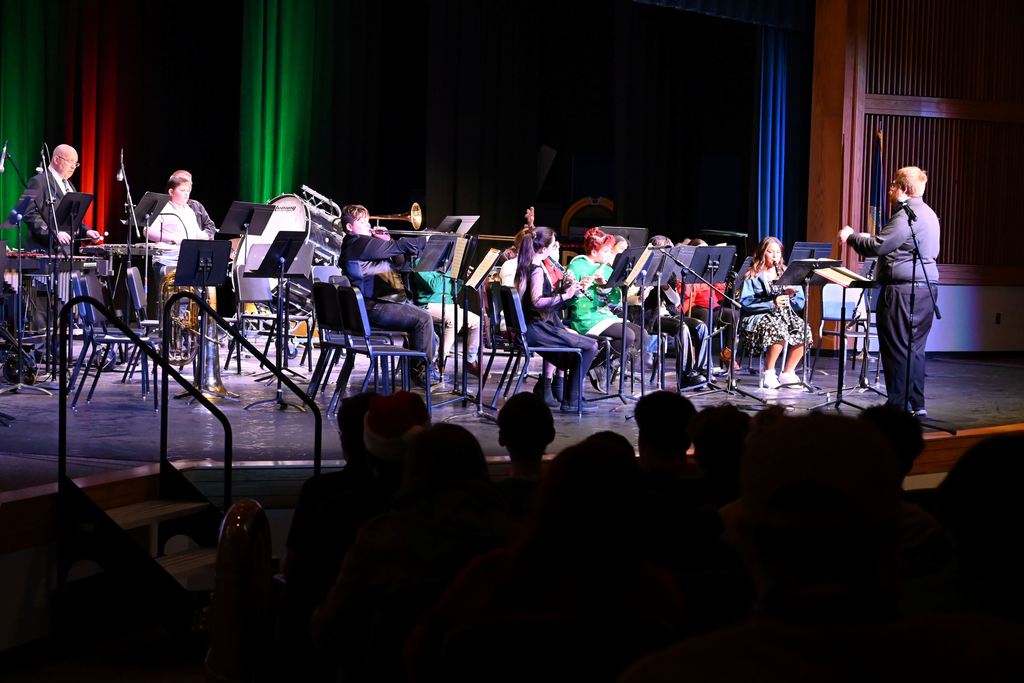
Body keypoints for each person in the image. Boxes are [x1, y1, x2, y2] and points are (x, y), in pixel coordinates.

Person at [841, 166, 940, 417]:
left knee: (896, 348)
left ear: (904, 189)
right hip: (925, 290)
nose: (890, 189)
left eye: (894, 185)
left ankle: (897, 406)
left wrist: (852, 237)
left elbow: (879, 245)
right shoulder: (928, 213)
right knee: (914, 348)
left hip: (903, 293)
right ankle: (916, 403)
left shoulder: (906, 215)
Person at [338, 203, 437, 386]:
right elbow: (400, 246)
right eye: (362, 222)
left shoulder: (365, 245)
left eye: (368, 221)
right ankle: (420, 373)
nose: (368, 225)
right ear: (350, 227)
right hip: (373, 307)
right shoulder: (357, 244)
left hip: (381, 302)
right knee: (423, 320)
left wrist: (386, 240)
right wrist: (427, 239)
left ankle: (416, 370)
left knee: (431, 335)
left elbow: (399, 263)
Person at [515, 225, 599, 413]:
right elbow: (537, 302)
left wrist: (564, 290)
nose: (555, 249)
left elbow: (537, 300)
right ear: (543, 249)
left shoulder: (526, 265)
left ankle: (571, 397)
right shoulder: (536, 269)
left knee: (581, 350)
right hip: (536, 328)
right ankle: (571, 400)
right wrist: (566, 296)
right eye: (553, 246)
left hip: (535, 325)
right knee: (591, 346)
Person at [565, 227, 647, 387]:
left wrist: (605, 287)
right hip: (586, 318)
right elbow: (567, 301)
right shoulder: (577, 265)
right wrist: (580, 289)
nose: (610, 255)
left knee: (642, 334)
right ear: (594, 252)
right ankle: (598, 365)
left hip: (605, 316)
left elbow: (615, 302)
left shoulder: (607, 269)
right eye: (606, 251)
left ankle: (602, 366)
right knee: (628, 335)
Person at [739, 236, 812, 389]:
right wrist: (772, 304)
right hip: (758, 318)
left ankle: (787, 373)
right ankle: (769, 372)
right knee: (777, 328)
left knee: (804, 329)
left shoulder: (787, 273)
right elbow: (745, 302)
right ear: (762, 253)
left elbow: (799, 303)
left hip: (785, 316)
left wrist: (792, 296)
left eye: (777, 252)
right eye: (770, 252)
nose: (774, 256)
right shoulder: (752, 275)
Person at [22, 143, 101, 252]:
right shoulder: (38, 181)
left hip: (67, 254)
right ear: (56, 159)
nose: (73, 166)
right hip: (44, 252)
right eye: (70, 161)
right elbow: (28, 213)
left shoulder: (69, 185)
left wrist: (86, 231)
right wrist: (53, 234)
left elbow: (71, 218)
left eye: (76, 163)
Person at [411, 268, 481, 376]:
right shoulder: (421, 262)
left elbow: (454, 292)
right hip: (429, 305)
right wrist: (450, 271)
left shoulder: (447, 268)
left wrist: (461, 278)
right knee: (454, 320)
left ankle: (470, 360)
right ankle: (440, 362)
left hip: (450, 306)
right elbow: (433, 286)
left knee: (477, 321)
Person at [144, 170, 216, 271]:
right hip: (166, 262)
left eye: (188, 191)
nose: (186, 194)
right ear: (171, 192)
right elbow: (148, 231)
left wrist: (204, 236)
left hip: (188, 261)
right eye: (182, 191)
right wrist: (172, 238)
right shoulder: (162, 208)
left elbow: (196, 233)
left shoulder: (189, 210)